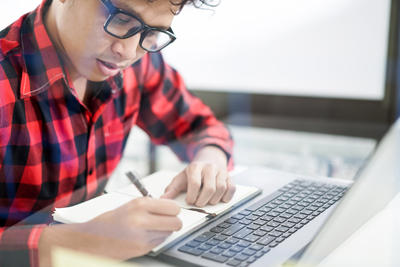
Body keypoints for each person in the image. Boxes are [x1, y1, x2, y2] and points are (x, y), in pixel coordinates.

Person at [0, 0, 235, 266]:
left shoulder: (141, 63)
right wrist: (82, 241)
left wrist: (210, 163)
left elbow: (202, 127)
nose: (128, 51)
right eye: (122, 20)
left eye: (153, 32)